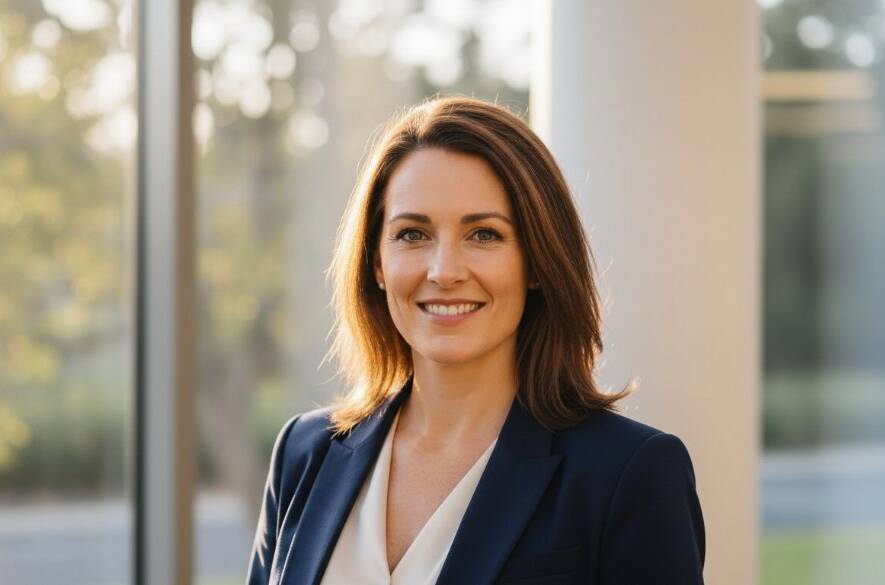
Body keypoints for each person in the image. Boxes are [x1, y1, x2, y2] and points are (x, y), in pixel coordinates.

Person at [246, 96, 706, 585]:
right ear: (376, 262)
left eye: (484, 235)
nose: (444, 272)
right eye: (412, 234)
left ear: (536, 261)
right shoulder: (305, 452)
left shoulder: (628, 474)